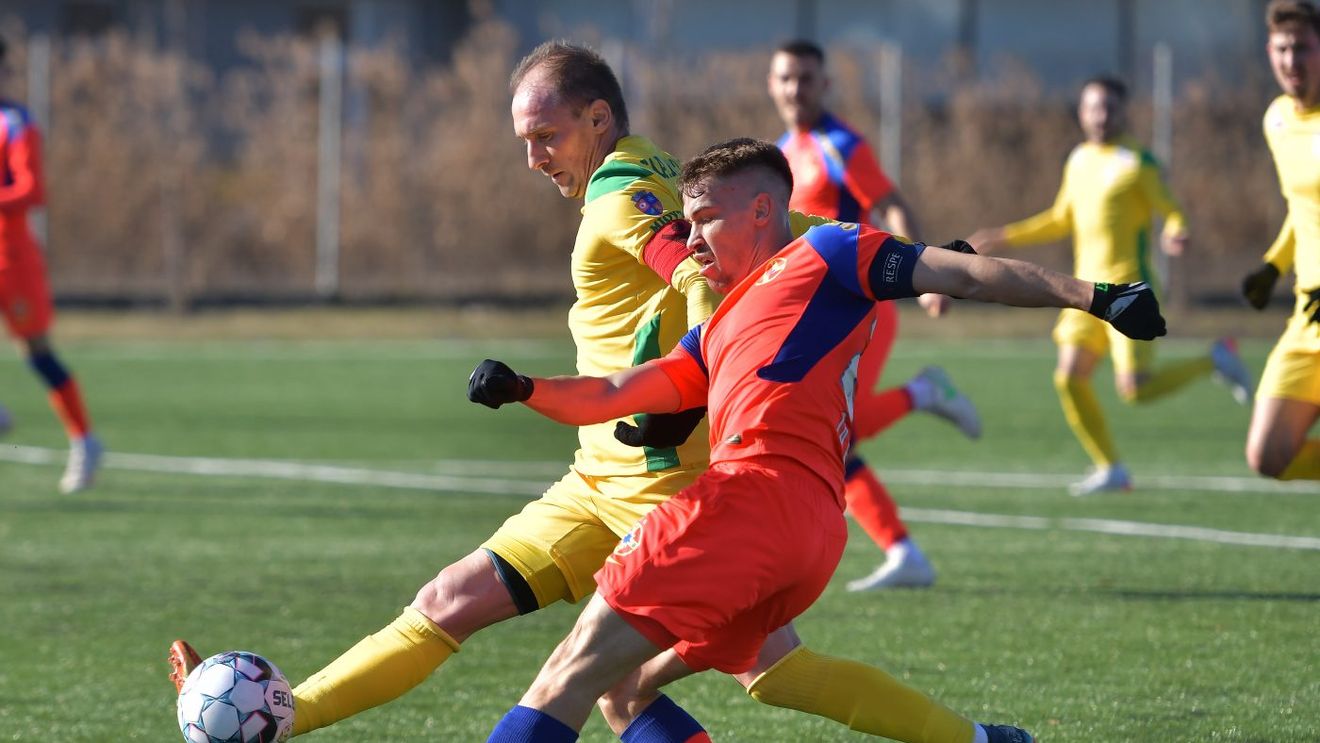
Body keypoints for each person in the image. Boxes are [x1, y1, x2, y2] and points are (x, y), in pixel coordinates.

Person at [168, 42, 961, 743]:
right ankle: (283, 712)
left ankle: (977, 738)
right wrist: (918, 258)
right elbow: (800, 229)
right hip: (592, 484)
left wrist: (689, 383)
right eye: (525, 140)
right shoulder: (661, 174)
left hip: (666, 492)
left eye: (545, 137)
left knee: (749, 673)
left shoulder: (623, 195)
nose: (534, 157)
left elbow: (685, 267)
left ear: (596, 118)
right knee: (448, 600)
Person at [475, 137, 1168, 743]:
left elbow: (964, 271)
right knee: (628, 690)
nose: (688, 242)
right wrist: (525, 387)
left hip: (748, 502)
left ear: (762, 211)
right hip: (811, 535)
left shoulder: (826, 250)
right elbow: (620, 392)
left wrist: (1095, 296)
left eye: (705, 219)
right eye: (685, 225)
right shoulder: (716, 328)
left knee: (566, 673)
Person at [969, 76, 1253, 496]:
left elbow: (1172, 210)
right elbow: (1061, 217)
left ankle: (1213, 359)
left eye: (1109, 108)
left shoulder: (1138, 162)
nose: (1101, 116)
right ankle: (1111, 468)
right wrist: (1003, 236)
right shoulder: (1079, 158)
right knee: (1068, 378)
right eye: (1092, 108)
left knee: (1135, 390)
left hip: (1128, 290)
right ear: (1081, 113)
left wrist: (1177, 230)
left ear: (1123, 112)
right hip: (1084, 291)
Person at [769, 39, 975, 590]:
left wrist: (925, 272)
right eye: (786, 78)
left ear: (824, 85)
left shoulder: (842, 145)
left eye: (806, 78)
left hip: (863, 308)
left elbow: (892, 203)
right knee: (824, 435)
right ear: (773, 84)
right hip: (805, 313)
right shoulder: (778, 150)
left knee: (839, 433)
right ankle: (902, 552)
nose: (796, 89)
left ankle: (924, 396)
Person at [0, 35, 102, 494]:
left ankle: (85, 441)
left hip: (11, 257)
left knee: (38, 352)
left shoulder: (15, 122)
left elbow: (33, 191)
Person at [1240, 0, 1320, 480]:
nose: (1292, 61)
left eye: (1304, 48)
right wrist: (1273, 266)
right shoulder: (1276, 120)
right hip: (1306, 316)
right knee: (1269, 456)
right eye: (1283, 48)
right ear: (1269, 52)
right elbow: (1303, 206)